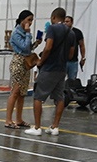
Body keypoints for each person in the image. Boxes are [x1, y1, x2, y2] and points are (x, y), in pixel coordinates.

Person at [25, 7, 73, 136]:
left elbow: (48, 47)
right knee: (59, 98)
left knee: (38, 97)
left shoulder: (52, 29)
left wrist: (41, 61)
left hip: (49, 68)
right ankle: (55, 126)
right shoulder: (71, 33)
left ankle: (37, 127)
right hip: (62, 69)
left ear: (53, 17)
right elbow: (71, 54)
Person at [4, 9, 40, 128]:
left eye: (32, 20)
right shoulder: (16, 33)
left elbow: (28, 49)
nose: (30, 23)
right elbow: (24, 47)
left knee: (22, 93)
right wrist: (28, 33)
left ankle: (19, 119)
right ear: (22, 20)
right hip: (18, 63)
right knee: (15, 91)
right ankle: (8, 120)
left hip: (26, 64)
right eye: (28, 20)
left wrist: (36, 43)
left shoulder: (24, 33)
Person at [63, 15, 87, 83]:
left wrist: (83, 57)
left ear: (72, 22)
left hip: (73, 61)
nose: (65, 23)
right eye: (64, 22)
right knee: (60, 80)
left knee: (72, 80)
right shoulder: (61, 32)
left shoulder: (77, 32)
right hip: (63, 61)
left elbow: (82, 45)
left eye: (67, 21)